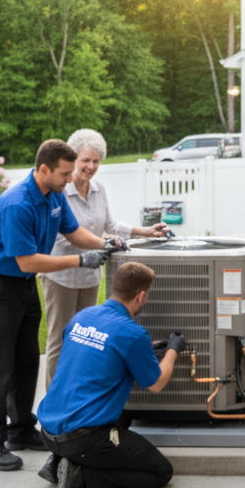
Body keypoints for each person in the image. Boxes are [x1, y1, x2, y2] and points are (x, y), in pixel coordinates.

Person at [0, 139, 115, 472]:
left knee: (26, 362)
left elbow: (74, 231)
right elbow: (27, 261)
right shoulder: (17, 204)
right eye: (64, 174)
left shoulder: (54, 195)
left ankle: (21, 430)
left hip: (23, 287)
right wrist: (80, 260)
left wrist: (105, 244)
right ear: (43, 169)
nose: (70, 179)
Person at [36, 261, 184, 488]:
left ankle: (57, 461)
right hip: (83, 440)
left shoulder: (82, 317)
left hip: (48, 430)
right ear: (141, 296)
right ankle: (81, 476)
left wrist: (146, 349)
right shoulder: (132, 333)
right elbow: (156, 383)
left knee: (124, 417)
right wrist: (173, 350)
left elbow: (102, 350)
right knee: (160, 472)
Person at [41, 128, 169, 390]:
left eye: (96, 161)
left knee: (85, 339)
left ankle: (78, 392)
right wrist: (102, 242)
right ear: (73, 159)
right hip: (62, 279)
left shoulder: (99, 190)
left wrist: (145, 231)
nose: (91, 166)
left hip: (90, 278)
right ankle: (54, 398)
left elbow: (110, 225)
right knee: (60, 341)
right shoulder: (59, 191)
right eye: (85, 160)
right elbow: (61, 238)